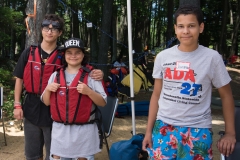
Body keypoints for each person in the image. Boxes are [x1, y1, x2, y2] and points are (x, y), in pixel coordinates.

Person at [142, 5, 236, 160]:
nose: (185, 31)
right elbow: (156, 95)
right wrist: (148, 131)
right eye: (181, 26)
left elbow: (226, 96)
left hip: (198, 130)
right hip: (164, 128)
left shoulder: (212, 58)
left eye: (191, 26)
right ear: (175, 29)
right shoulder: (163, 57)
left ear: (201, 27)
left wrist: (230, 133)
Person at [13, 14, 103, 160]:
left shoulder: (65, 55)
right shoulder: (29, 52)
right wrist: (17, 105)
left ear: (60, 32)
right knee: (32, 154)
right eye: (46, 28)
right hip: (31, 106)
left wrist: (99, 72)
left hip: (55, 109)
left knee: (54, 154)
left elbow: (83, 69)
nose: (50, 31)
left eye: (54, 28)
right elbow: (19, 79)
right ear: (41, 30)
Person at [41, 37, 107, 160]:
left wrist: (89, 92)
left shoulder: (92, 75)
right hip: (60, 132)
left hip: (84, 131)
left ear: (83, 55)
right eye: (69, 53)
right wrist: (48, 90)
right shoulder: (55, 75)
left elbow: (103, 103)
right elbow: (46, 102)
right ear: (64, 55)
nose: (73, 56)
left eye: (77, 52)